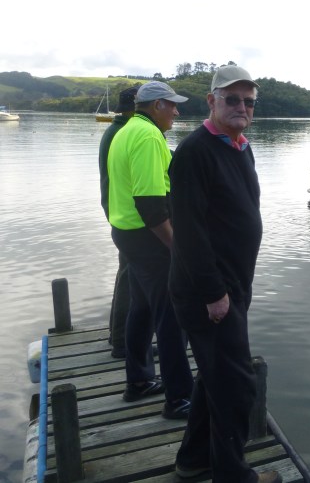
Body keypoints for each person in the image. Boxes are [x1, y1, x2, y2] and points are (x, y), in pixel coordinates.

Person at [169, 65, 279, 483]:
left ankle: (193, 459)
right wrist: (214, 293)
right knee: (235, 384)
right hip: (208, 292)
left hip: (233, 284)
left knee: (215, 376)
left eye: (248, 102)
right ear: (211, 101)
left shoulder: (239, 146)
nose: (241, 107)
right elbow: (189, 233)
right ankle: (233, 475)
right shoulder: (194, 152)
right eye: (231, 99)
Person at [107, 81, 194, 419]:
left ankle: (139, 381)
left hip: (126, 233)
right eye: (172, 105)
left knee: (141, 309)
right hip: (149, 238)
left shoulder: (125, 131)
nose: (177, 112)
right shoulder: (147, 136)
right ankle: (179, 398)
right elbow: (151, 205)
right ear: (156, 105)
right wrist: (177, 248)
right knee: (171, 318)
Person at [98, 85, 138, 359]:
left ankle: (117, 333)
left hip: (117, 211)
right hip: (127, 215)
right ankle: (122, 342)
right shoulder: (123, 133)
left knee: (126, 273)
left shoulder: (115, 130)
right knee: (129, 277)